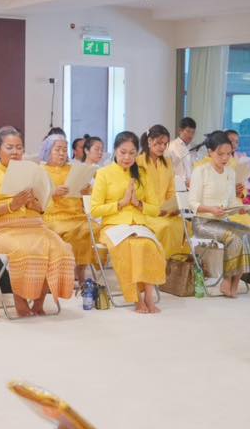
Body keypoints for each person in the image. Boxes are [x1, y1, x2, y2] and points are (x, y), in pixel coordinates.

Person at [0, 126, 76, 317]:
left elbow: (44, 206)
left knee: (62, 249)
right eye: (10, 147)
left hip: (35, 226)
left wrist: (35, 205)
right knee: (26, 250)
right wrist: (10, 206)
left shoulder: (34, 171)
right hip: (3, 229)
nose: (15, 152)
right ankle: (20, 301)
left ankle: (39, 302)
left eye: (19, 147)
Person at [91, 132, 167, 313]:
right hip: (113, 227)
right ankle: (136, 298)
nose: (127, 157)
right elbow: (94, 210)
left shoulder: (142, 173)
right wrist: (121, 204)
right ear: (115, 151)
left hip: (139, 225)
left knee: (148, 245)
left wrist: (138, 204)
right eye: (123, 152)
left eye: (132, 153)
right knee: (128, 248)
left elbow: (156, 208)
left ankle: (149, 296)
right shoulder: (103, 173)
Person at [188, 131, 250, 296]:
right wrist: (211, 209)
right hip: (203, 223)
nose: (225, 158)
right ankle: (227, 281)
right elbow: (192, 204)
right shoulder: (201, 171)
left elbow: (230, 201)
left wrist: (240, 208)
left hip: (222, 220)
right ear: (210, 152)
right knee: (235, 238)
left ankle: (236, 281)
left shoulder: (230, 173)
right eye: (220, 154)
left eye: (228, 154)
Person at [39, 132, 95, 287]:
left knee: (89, 229)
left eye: (64, 150)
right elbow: (37, 199)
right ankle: (60, 275)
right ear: (48, 150)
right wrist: (52, 193)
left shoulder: (74, 169)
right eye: (57, 149)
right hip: (53, 216)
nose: (62, 153)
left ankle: (80, 271)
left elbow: (88, 193)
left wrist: (85, 191)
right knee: (68, 231)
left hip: (77, 214)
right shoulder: (41, 170)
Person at [136, 124, 187, 261]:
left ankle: (176, 268)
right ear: (149, 141)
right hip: (145, 212)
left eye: (165, 144)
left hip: (165, 212)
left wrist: (173, 208)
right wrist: (156, 210)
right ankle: (160, 266)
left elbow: (171, 191)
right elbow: (138, 196)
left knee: (185, 225)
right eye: (158, 143)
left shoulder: (168, 163)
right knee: (165, 226)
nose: (162, 147)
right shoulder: (138, 163)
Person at [165, 117, 198, 189]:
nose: (191, 135)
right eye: (188, 131)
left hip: (194, 187)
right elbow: (167, 170)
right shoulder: (171, 146)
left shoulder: (195, 147)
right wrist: (183, 182)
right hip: (178, 187)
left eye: (193, 132)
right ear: (180, 131)